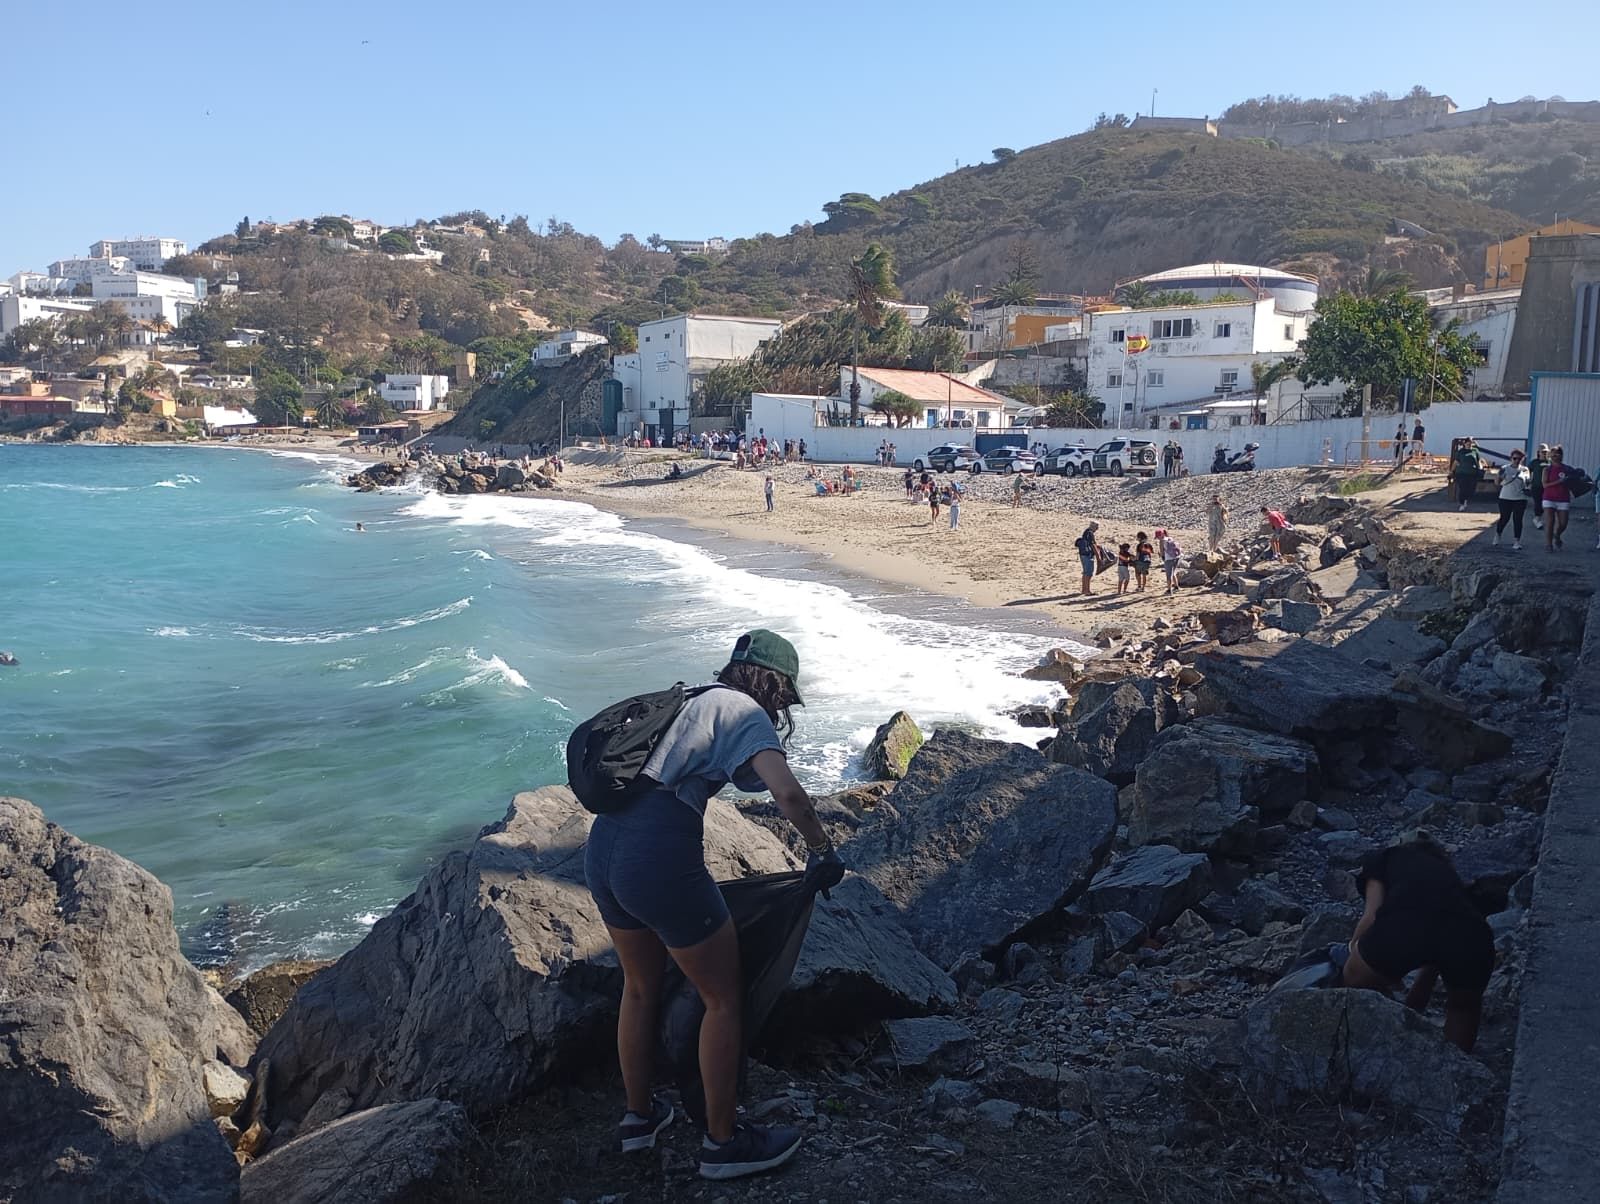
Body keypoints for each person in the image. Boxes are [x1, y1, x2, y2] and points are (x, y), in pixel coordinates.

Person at [583, 631, 837, 1179]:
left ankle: (638, 1118)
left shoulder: (692, 697)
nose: (782, 709)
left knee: (640, 987)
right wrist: (822, 849)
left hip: (603, 848)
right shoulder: (745, 711)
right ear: (774, 683)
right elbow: (787, 793)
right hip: (657, 854)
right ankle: (723, 1144)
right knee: (723, 997)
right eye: (784, 695)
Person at [1339, 834, 1494, 1053]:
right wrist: (1410, 1010)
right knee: (1463, 1008)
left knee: (1354, 978)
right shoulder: (1450, 883)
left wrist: (1353, 952)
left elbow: (1371, 916)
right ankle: (1456, 1068)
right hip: (1473, 936)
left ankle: (1359, 1050)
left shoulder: (1386, 857)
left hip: (1407, 924)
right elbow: (1434, 957)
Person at [1493, 448, 1530, 550]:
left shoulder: (1525, 470)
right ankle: (1498, 534)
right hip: (1505, 497)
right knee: (1504, 518)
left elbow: (1527, 482)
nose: (1517, 460)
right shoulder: (1505, 468)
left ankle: (1517, 541)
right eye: (1515, 458)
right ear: (1511, 458)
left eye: (1519, 459)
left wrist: (1528, 487)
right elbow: (1497, 483)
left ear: (1522, 459)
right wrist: (1498, 476)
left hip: (1520, 498)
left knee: (1518, 520)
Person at [1542, 444, 1575, 551]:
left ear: (1561, 455)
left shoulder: (1567, 469)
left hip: (1563, 498)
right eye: (1552, 455)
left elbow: (1574, 480)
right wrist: (1559, 481)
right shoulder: (1547, 469)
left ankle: (1557, 535)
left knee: (1563, 523)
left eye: (1557, 454)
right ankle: (1548, 544)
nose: (1554, 456)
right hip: (1549, 498)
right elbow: (1545, 485)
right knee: (1550, 521)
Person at [1452, 438, 1484, 511]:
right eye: (1468, 443)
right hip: (1462, 473)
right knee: (1463, 488)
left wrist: (1480, 468)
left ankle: (1466, 500)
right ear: (1465, 444)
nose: (1469, 445)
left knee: (1471, 489)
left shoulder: (1475, 451)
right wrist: (1452, 471)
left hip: (1472, 473)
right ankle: (1462, 503)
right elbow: (1456, 462)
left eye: (1470, 444)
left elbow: (1478, 461)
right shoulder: (1461, 452)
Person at [1529, 443, 1551, 530]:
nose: (1544, 453)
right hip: (1536, 486)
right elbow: (1527, 471)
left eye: (1546, 452)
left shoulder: (1550, 462)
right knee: (1538, 503)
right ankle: (1537, 519)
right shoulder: (1534, 462)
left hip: (1548, 486)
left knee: (1546, 504)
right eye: (1543, 452)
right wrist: (1528, 481)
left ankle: (1545, 519)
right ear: (1538, 452)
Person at [1076, 523, 1101, 596]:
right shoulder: (1090, 533)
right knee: (1088, 573)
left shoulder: (1086, 532)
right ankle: (1087, 591)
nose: (1097, 529)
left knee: (1085, 573)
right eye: (1097, 527)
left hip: (1083, 554)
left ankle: (1084, 589)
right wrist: (1098, 556)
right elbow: (1093, 545)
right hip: (1088, 555)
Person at [1158, 528, 1182, 594]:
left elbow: (1162, 553)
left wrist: (1161, 556)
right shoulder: (1170, 538)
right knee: (1173, 572)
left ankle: (1169, 590)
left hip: (1169, 559)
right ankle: (1176, 587)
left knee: (1169, 575)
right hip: (1177, 557)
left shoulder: (1162, 541)